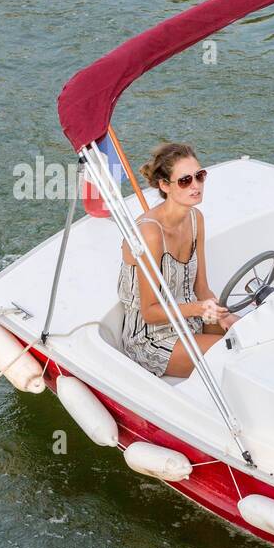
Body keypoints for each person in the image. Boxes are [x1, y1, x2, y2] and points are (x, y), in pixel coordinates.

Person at [117, 142, 236, 378]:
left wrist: (227, 316)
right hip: (151, 337)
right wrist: (199, 309)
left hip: (188, 321)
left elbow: (201, 287)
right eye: (185, 180)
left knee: (252, 334)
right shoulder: (150, 233)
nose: (196, 186)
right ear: (164, 185)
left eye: (200, 176)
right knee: (233, 356)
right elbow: (149, 312)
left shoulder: (195, 218)